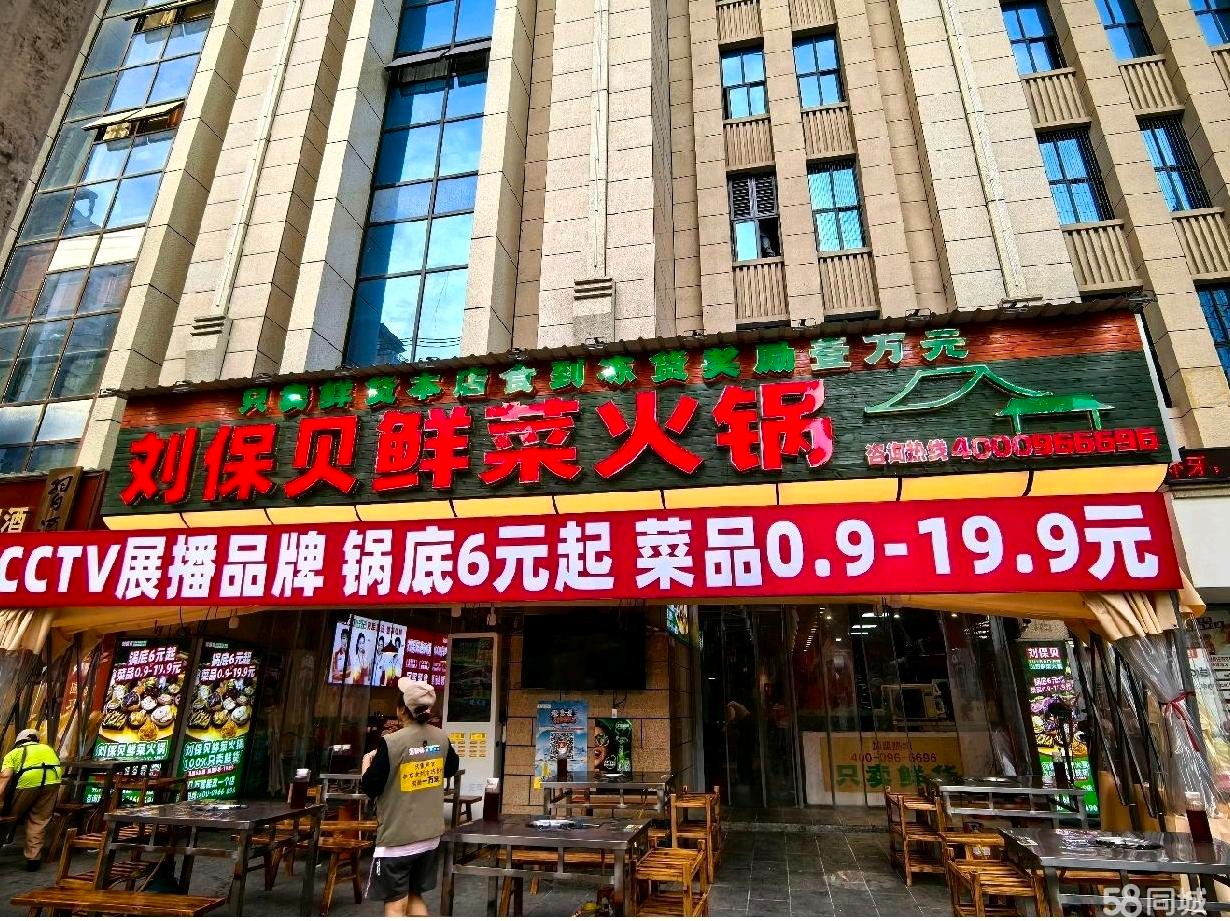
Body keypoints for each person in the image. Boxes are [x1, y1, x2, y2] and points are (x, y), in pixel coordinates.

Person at [361, 679, 459, 917]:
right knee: (415, 896)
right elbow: (450, 769)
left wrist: (366, 764)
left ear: (401, 710)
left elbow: (371, 787)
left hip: (398, 839)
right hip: (430, 836)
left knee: (395, 904)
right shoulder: (440, 737)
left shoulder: (392, 742)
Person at [0, 728, 63, 870]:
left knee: (8, 818)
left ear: (18, 742)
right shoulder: (49, 749)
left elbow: (4, 778)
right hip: (52, 781)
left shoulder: (14, 753)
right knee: (38, 820)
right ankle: (33, 859)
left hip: (28, 782)